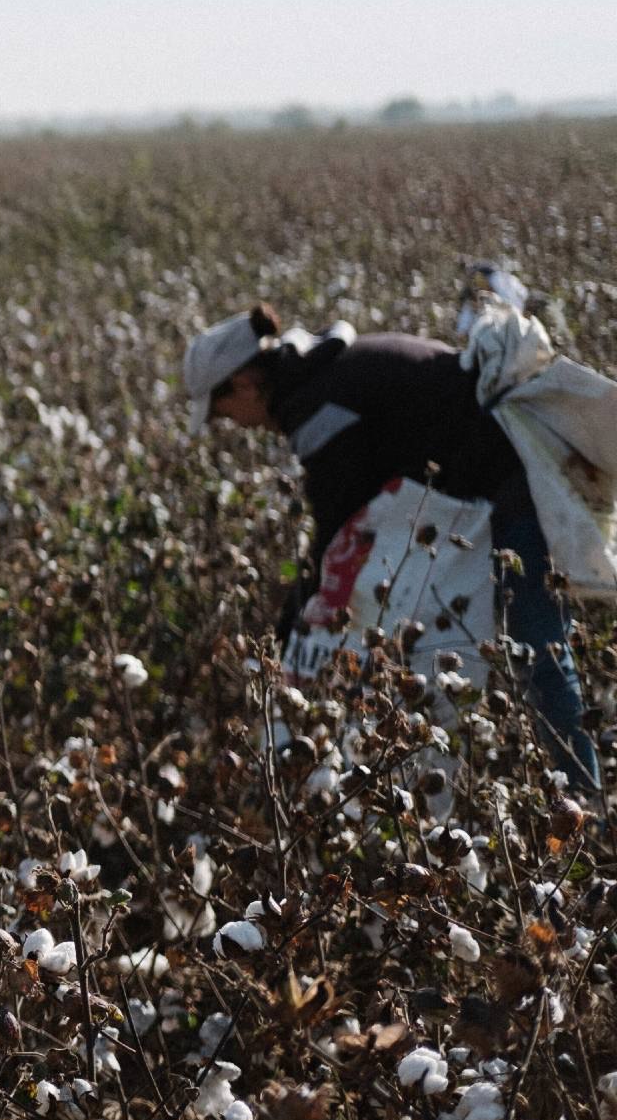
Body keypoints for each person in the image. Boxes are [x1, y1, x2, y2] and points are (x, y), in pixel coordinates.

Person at [184, 301, 600, 789]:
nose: (234, 424)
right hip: (500, 483)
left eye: (223, 411)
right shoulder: (328, 374)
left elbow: (337, 532)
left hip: (515, 489)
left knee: (538, 657)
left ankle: (590, 813)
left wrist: (289, 628)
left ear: (244, 384)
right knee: (530, 656)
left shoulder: (321, 408)